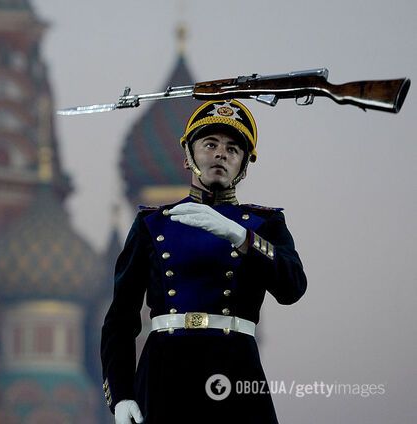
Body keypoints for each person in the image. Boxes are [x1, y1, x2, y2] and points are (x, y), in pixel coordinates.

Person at [100, 99, 307, 423]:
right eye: (210, 144)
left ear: (244, 166)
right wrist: (121, 394)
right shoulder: (152, 224)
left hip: (235, 369)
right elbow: (120, 320)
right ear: (188, 156)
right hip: (164, 372)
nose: (221, 153)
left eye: (233, 148)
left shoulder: (264, 224)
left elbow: (293, 286)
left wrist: (242, 237)